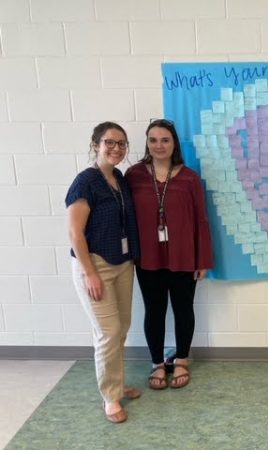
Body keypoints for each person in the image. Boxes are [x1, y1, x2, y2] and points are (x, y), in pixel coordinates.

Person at [125, 119, 214, 390]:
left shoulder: (189, 177)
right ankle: (157, 364)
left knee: (183, 309)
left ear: (174, 143)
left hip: (184, 256)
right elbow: (125, 217)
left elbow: (201, 220)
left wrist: (203, 260)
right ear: (147, 143)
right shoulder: (134, 175)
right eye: (153, 140)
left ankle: (182, 360)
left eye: (165, 140)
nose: (159, 145)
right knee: (154, 310)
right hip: (148, 257)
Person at [66, 122, 141, 423]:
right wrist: (90, 274)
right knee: (107, 333)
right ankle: (110, 397)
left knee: (121, 328)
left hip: (123, 264)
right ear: (95, 144)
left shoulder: (119, 178)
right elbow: (74, 233)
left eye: (122, 143)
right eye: (110, 142)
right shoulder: (85, 182)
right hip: (94, 266)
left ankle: (118, 383)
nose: (116, 148)